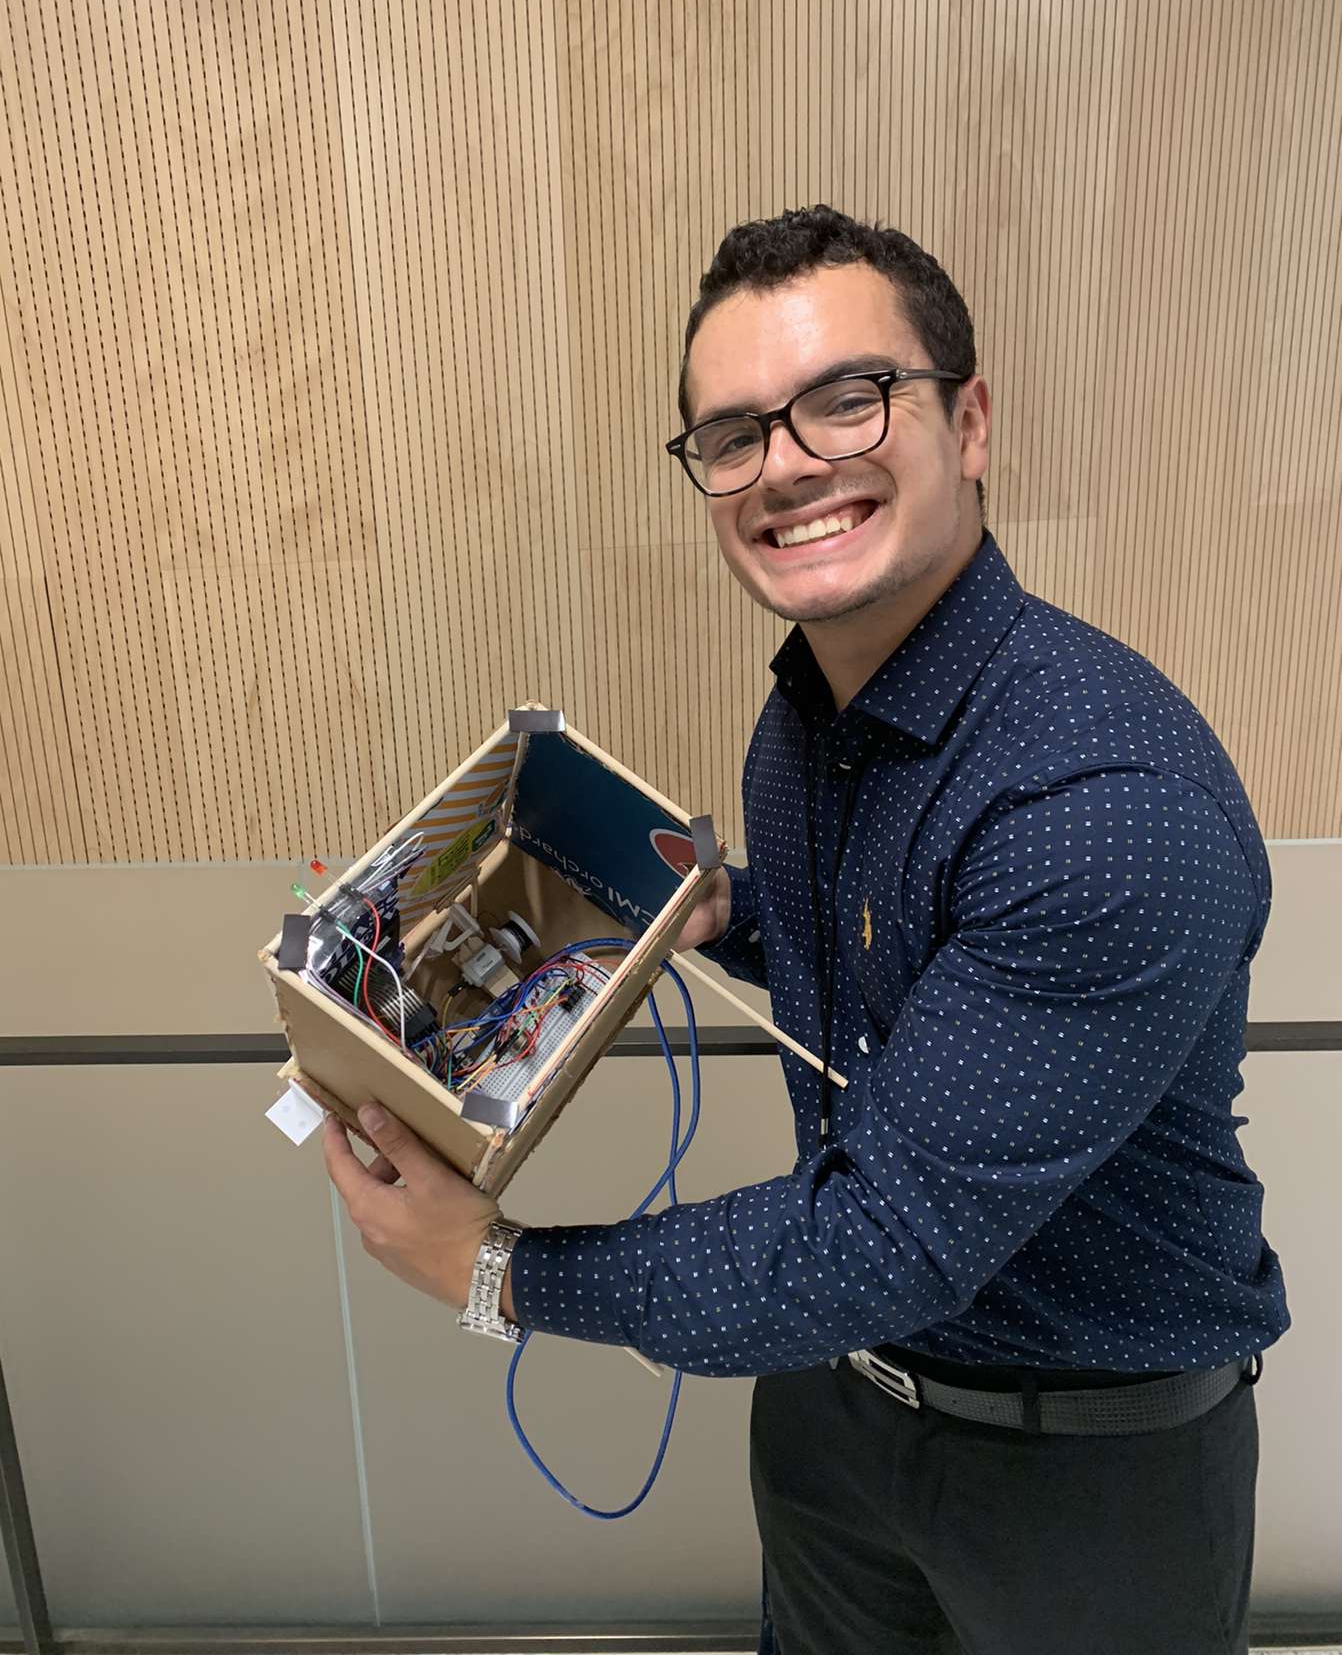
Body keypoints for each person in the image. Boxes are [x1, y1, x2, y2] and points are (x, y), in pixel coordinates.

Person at [325, 205, 1290, 1655]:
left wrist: (498, 1269)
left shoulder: (1103, 806)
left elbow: (884, 1239)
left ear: (968, 422)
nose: (783, 465)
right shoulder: (803, 725)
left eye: (847, 400)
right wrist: (723, 918)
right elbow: (899, 967)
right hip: (837, 1403)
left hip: (1087, 1466)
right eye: (734, 434)